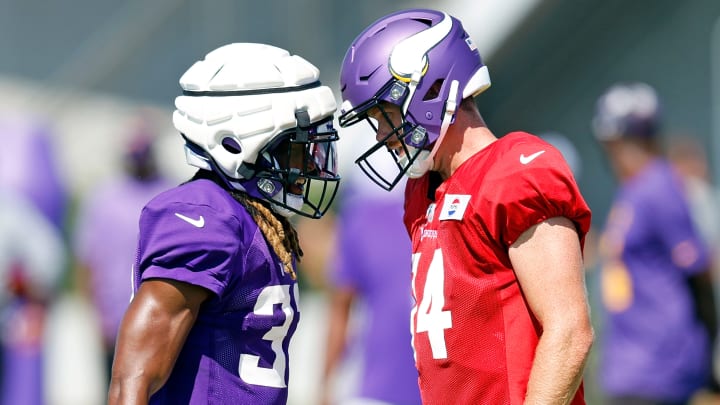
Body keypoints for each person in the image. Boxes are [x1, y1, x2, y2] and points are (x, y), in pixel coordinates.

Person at [337, 8, 593, 404]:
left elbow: (569, 331)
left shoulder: (516, 171)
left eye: (385, 115)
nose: (384, 135)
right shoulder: (423, 192)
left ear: (431, 88)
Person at [108, 42, 341, 404]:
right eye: (297, 147)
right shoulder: (204, 217)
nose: (310, 164)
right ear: (241, 142)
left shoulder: (257, 218)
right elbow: (132, 380)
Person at [591, 82, 719, 404]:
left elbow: (697, 272)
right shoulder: (635, 189)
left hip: (660, 364)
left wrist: (709, 361)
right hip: (632, 363)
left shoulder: (659, 186)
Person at [73, 120, 174, 382]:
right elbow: (87, 261)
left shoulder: (171, 193)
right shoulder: (104, 197)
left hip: (161, 319)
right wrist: (94, 316)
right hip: (114, 320)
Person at [320, 167, 421, 405]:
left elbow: (340, 308)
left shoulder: (362, 216)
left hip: (380, 390)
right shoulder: (365, 216)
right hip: (389, 388)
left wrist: (325, 384)